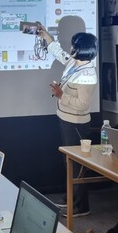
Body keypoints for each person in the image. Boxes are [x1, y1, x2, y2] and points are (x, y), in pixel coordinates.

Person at [39, 26, 98, 217]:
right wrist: (46, 35)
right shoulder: (75, 62)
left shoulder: (88, 74)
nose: (70, 47)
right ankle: (71, 199)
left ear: (80, 49)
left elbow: (82, 104)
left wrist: (61, 95)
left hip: (76, 124)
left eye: (73, 45)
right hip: (66, 119)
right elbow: (59, 52)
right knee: (69, 163)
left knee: (76, 165)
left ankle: (81, 206)